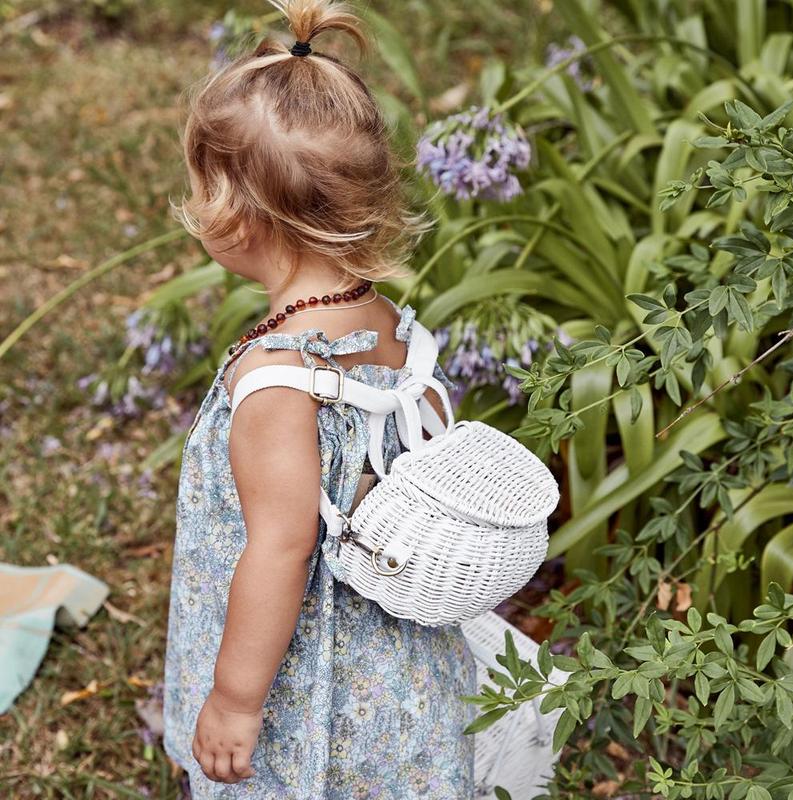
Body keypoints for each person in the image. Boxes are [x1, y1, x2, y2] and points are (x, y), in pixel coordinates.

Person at [161, 1, 477, 797]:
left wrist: (235, 702)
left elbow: (282, 546)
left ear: (236, 212)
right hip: (399, 676)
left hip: (308, 695)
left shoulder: (277, 380)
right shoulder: (397, 331)